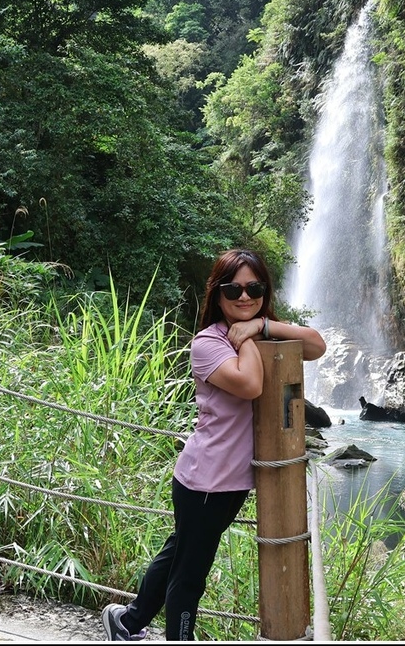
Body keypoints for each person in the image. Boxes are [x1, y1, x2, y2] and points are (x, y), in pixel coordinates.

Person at [102, 248, 327, 641]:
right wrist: (245, 337)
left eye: (254, 288)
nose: (244, 297)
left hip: (230, 480)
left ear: (265, 291)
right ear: (216, 295)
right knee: (190, 575)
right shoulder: (209, 343)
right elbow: (250, 384)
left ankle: (128, 621)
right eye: (232, 289)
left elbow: (315, 345)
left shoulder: (258, 328)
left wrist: (262, 327)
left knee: (179, 552)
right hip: (206, 481)